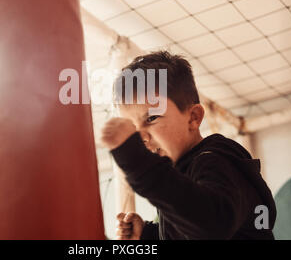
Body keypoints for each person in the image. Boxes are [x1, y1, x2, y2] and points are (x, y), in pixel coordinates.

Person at [100, 51, 276, 240]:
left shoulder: (214, 161)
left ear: (193, 118)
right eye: (132, 128)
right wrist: (148, 234)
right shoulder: (180, 179)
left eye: (151, 118)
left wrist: (138, 164)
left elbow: (214, 225)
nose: (141, 137)